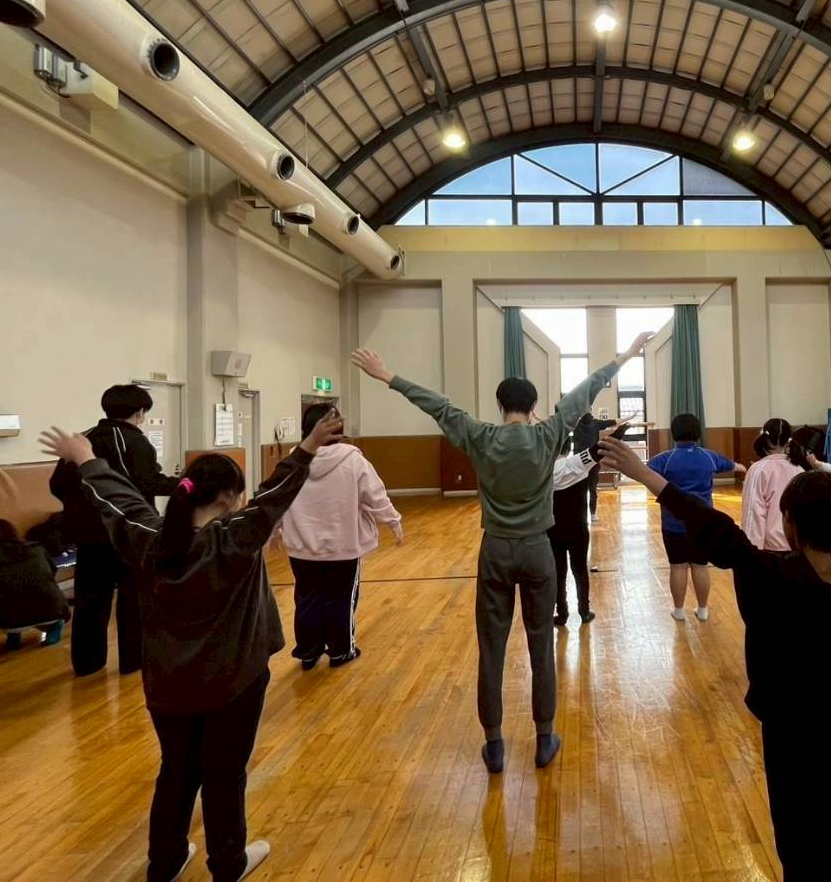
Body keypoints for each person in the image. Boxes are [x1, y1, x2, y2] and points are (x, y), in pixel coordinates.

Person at [598, 430, 831, 880]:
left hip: (788, 738)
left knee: (797, 842)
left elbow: (711, 526)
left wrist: (642, 473)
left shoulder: (769, 576)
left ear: (788, 524)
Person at [38, 410, 343, 882]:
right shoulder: (234, 539)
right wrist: (308, 446)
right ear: (227, 498)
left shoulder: (149, 539)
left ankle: (165, 862)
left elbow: (118, 501)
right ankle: (228, 863)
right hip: (234, 683)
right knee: (225, 774)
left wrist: (87, 460)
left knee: (176, 772)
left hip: (168, 686)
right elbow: (275, 495)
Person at [351, 331, 654, 775]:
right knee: (540, 644)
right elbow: (587, 389)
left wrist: (387, 376)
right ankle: (544, 737)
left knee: (491, 648)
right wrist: (625, 355)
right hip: (537, 550)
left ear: (499, 405)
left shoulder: (480, 436)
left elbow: (437, 405)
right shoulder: (549, 433)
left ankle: (494, 744)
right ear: (534, 406)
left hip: (494, 550)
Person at [49, 383, 179, 676]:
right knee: (134, 599)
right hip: (128, 533)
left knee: (90, 600)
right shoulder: (135, 441)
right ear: (140, 412)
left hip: (88, 537)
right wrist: (186, 484)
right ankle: (133, 661)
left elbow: (57, 485)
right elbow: (147, 483)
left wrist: (83, 511)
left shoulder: (82, 440)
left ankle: (87, 664)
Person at [277, 403, 403, 670]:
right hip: (343, 546)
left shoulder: (293, 462)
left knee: (306, 598)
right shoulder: (353, 460)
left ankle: (308, 652)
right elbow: (375, 495)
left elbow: (277, 499)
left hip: (302, 546)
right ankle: (341, 650)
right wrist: (392, 520)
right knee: (341, 598)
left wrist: (273, 528)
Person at [646, 413, 745, 622]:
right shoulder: (709, 457)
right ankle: (702, 609)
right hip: (704, 523)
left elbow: (644, 472)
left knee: (678, 566)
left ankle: (679, 611)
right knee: (700, 565)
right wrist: (745, 469)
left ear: (674, 433)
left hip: (673, 524)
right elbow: (736, 467)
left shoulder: (665, 459)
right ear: (698, 433)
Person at [549, 418, 631, 626]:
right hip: (578, 529)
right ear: (568, 448)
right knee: (580, 571)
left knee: (558, 573)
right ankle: (584, 612)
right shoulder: (578, 463)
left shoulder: (543, 470)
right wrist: (620, 431)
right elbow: (600, 448)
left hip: (553, 530)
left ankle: (562, 613)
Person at [0, 518, 70, 650]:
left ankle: (13, 634)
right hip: (52, 611)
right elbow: (51, 571)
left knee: (7, 602)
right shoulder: (36, 548)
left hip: (6, 620)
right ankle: (54, 626)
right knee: (40, 602)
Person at [740, 418, 806, 551]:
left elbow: (753, 513)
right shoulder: (800, 470)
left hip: (771, 550)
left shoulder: (758, 470)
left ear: (764, 438)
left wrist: (751, 552)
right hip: (798, 547)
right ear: (788, 441)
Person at [573, 408, 617, 523]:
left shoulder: (576, 423)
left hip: (581, 462)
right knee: (591, 489)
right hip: (590, 462)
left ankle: (584, 515)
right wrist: (630, 418)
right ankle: (591, 514)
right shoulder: (594, 423)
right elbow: (615, 421)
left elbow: (557, 424)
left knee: (582, 490)